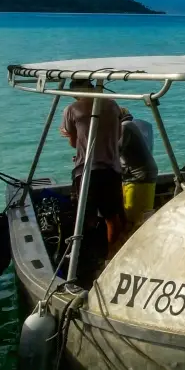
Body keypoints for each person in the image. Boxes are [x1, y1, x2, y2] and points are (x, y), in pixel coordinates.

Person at [59, 78, 124, 283]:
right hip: (112, 168)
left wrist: (69, 135)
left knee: (85, 218)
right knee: (112, 216)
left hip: (86, 169)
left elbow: (73, 142)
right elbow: (118, 134)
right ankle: (112, 256)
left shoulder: (72, 109)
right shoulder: (113, 105)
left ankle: (85, 259)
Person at [118, 107, 158, 238]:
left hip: (138, 177)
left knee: (136, 218)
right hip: (139, 174)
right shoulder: (130, 125)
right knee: (141, 216)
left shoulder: (125, 126)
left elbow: (115, 150)